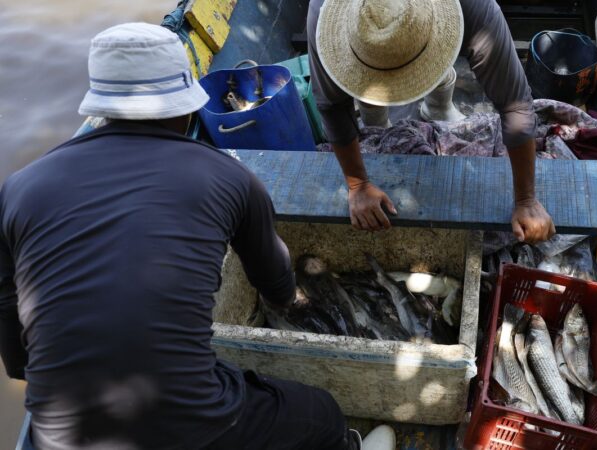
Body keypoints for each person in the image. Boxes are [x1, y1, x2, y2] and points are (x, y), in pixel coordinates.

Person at [0, 23, 393, 450]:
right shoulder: (230, 177)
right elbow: (278, 287)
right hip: (191, 426)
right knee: (322, 414)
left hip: (56, 437)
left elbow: (18, 359)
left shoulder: (18, 188)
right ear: (186, 109)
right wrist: (291, 298)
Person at [308, 0, 556, 242]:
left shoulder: (475, 9)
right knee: (370, 103)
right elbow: (332, 107)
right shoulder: (323, 17)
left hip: (439, 32)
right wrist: (358, 185)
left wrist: (526, 200)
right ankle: (375, 116)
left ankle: (437, 106)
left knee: (430, 62)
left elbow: (515, 104)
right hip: (364, 60)